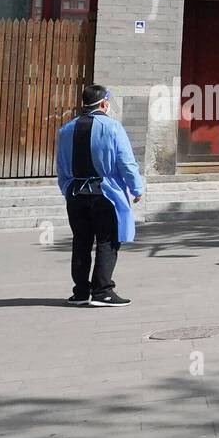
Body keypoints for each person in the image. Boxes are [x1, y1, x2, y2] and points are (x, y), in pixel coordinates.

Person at [56, 84, 145, 306]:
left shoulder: (66, 130)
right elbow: (126, 162)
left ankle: (80, 292)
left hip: (76, 193)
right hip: (104, 193)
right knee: (108, 241)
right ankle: (102, 291)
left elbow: (61, 167)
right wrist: (136, 188)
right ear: (104, 103)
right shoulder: (112, 127)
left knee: (81, 242)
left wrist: (67, 190)